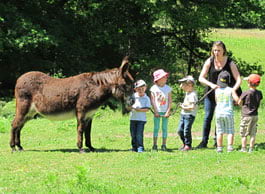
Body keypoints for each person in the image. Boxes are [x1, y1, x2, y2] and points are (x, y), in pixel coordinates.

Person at [196, 41, 241, 149]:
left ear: (224, 51)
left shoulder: (230, 63)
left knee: (219, 116)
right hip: (211, 94)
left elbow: (239, 79)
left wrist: (232, 90)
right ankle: (204, 141)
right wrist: (211, 84)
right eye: (214, 50)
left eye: (219, 50)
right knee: (208, 117)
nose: (216, 52)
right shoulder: (209, 61)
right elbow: (201, 78)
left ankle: (217, 141)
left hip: (224, 96)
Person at [215, 71, 239, 152]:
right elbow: (236, 99)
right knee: (230, 131)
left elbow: (216, 100)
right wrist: (238, 101)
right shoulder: (231, 90)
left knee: (219, 131)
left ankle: (219, 148)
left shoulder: (217, 90)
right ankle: (230, 147)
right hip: (228, 113)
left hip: (218, 113)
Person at [238, 74, 263, 153]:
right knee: (253, 133)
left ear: (249, 83)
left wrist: (241, 105)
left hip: (246, 116)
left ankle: (244, 148)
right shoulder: (259, 93)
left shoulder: (246, 93)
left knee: (244, 133)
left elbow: (239, 102)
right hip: (255, 115)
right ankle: (251, 149)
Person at [150, 69, 172, 151]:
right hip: (157, 112)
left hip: (165, 111)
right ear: (158, 79)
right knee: (156, 128)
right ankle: (155, 145)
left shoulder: (168, 88)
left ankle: (164, 145)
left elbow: (170, 100)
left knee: (164, 128)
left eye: (165, 77)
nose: (166, 78)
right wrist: (155, 111)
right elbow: (152, 101)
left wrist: (168, 111)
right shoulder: (153, 89)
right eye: (163, 77)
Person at [129, 79, 151, 153]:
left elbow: (147, 109)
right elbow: (128, 105)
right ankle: (134, 147)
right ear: (135, 89)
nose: (140, 90)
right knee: (133, 134)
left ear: (145, 88)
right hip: (133, 118)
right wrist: (130, 107)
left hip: (141, 120)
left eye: (142, 88)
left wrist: (139, 110)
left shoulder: (146, 98)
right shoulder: (133, 97)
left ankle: (140, 147)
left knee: (139, 134)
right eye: (138, 89)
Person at [177, 76, 198, 151]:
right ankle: (185, 144)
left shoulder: (192, 94)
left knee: (186, 130)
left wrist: (183, 107)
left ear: (189, 85)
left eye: (183, 84)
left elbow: (192, 107)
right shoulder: (187, 93)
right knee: (180, 130)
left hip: (189, 115)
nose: (181, 86)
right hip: (183, 114)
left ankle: (188, 145)